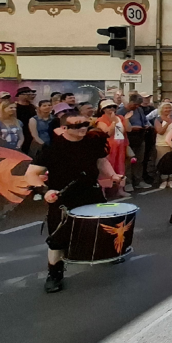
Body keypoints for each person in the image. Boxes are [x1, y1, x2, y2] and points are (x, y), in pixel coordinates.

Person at [25, 111, 121, 293]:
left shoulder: (92, 143)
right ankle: (54, 274)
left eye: (85, 124)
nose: (83, 128)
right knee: (58, 238)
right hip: (63, 197)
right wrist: (45, 191)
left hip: (91, 192)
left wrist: (113, 175)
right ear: (64, 128)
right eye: (77, 125)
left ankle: (108, 252)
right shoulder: (51, 148)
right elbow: (31, 174)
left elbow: (101, 162)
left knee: (104, 226)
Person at [96, 100, 130, 198]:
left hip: (121, 146)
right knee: (107, 169)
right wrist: (113, 122)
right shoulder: (101, 120)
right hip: (109, 147)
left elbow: (128, 129)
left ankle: (120, 189)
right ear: (103, 109)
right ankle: (104, 190)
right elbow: (107, 133)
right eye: (109, 107)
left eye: (113, 106)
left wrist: (126, 119)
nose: (111, 109)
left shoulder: (121, 117)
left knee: (120, 167)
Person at [152, 101, 172, 188]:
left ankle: (171, 180)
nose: (168, 109)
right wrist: (167, 123)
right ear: (161, 109)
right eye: (165, 108)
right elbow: (160, 131)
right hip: (162, 144)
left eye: (169, 108)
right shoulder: (158, 119)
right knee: (163, 163)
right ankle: (163, 180)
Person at [14, 87, 37, 154]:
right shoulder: (15, 107)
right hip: (18, 132)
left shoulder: (33, 107)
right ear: (20, 95)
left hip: (30, 133)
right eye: (28, 94)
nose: (31, 96)